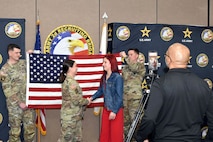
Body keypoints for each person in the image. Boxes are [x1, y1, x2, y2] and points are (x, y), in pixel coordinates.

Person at [136, 43, 213, 142]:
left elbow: (150, 118)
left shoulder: (160, 84)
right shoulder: (203, 85)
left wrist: (141, 137)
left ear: (168, 59)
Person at [0, 44, 35, 142]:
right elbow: (7, 90)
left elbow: (34, 64)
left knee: (30, 131)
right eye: (16, 53)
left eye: (20, 53)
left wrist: (32, 55)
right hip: (15, 107)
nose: (19, 55)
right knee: (15, 133)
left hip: (28, 104)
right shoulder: (4, 70)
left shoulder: (23, 64)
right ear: (10, 53)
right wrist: (20, 103)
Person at [89, 54, 124, 142]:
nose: (103, 64)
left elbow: (119, 97)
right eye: (103, 62)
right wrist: (91, 98)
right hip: (106, 110)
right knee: (104, 135)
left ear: (111, 63)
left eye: (105, 62)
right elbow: (100, 91)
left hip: (115, 111)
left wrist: (114, 111)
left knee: (115, 136)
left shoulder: (117, 78)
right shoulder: (104, 77)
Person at [57, 59, 90, 142]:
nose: (77, 68)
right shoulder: (71, 82)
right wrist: (87, 101)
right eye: (76, 66)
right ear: (70, 68)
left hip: (74, 117)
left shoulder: (69, 81)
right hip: (70, 118)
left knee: (76, 139)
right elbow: (76, 100)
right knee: (66, 139)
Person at [120, 48, 146, 139]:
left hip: (135, 99)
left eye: (131, 54)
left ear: (137, 56)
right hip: (125, 100)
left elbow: (134, 67)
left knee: (136, 123)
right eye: (128, 54)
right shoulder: (125, 68)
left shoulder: (140, 66)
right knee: (125, 124)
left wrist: (125, 57)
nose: (129, 56)